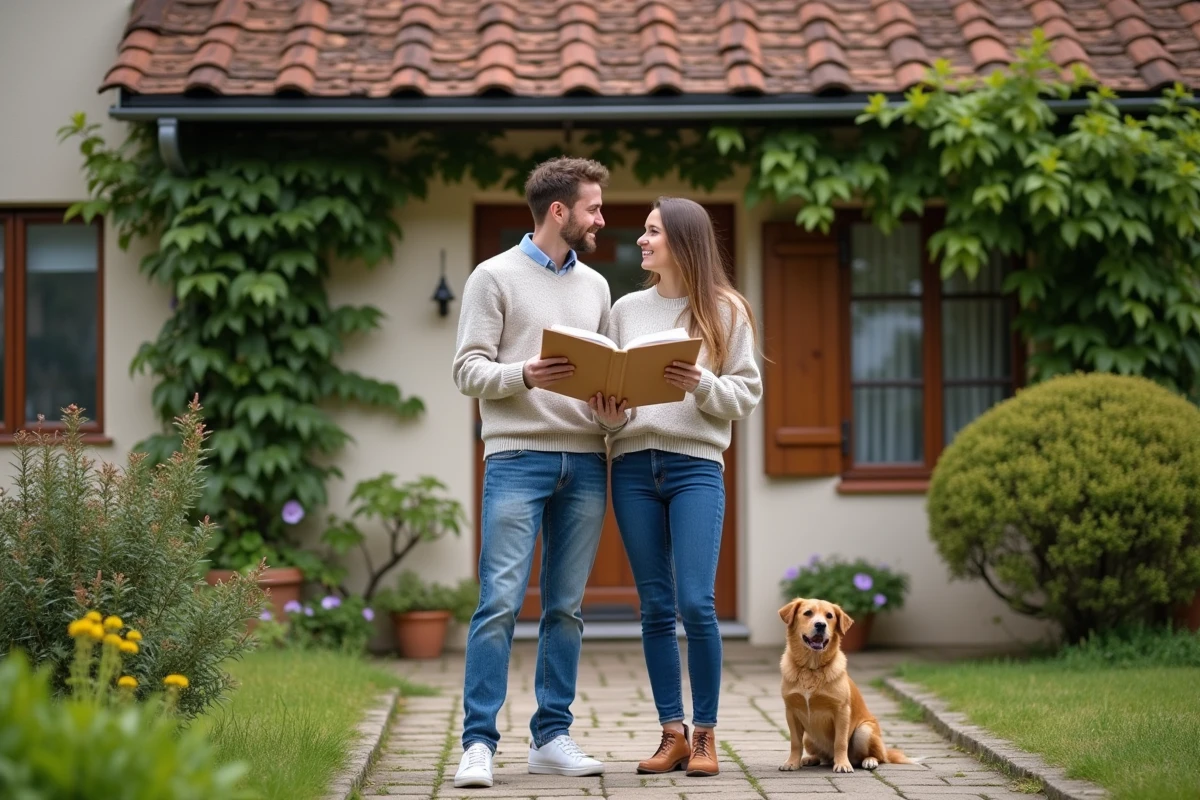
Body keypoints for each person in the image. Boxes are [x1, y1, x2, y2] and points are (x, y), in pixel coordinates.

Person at [450, 156, 613, 789]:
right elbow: (467, 370)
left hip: (587, 460)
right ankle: (478, 744)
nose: (602, 218)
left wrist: (613, 410)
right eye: (594, 208)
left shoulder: (596, 287)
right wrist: (524, 374)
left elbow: (603, 375)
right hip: (517, 457)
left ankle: (551, 737)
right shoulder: (493, 278)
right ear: (559, 211)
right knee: (498, 603)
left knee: (566, 608)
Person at [590, 196, 762, 778]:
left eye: (653, 231)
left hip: (695, 468)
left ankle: (708, 735)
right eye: (643, 231)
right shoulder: (625, 310)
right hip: (634, 467)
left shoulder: (726, 311)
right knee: (656, 607)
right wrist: (610, 413)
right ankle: (673, 734)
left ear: (683, 242)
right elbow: (608, 405)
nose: (642, 240)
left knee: (696, 601)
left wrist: (702, 383)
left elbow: (745, 393)